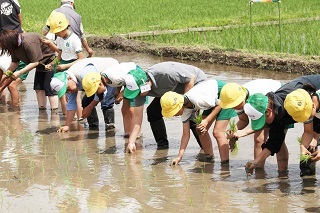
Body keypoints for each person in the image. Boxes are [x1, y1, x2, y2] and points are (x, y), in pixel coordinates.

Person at [244, 75, 320, 177]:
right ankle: (308, 178)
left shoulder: (303, 106)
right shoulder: (292, 105)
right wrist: (303, 146)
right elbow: (307, 132)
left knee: (315, 139)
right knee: (310, 144)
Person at [123, 61, 207, 153]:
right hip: (172, 91)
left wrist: (184, 103)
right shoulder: (140, 92)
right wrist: (131, 142)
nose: (138, 95)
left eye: (138, 92)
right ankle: (163, 147)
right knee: (153, 112)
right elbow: (137, 116)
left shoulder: (164, 73)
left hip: (196, 84)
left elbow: (191, 78)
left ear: (145, 84)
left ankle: (206, 149)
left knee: (191, 119)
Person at [160, 78, 237, 165]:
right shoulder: (185, 108)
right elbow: (185, 135)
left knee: (217, 132)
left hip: (225, 94)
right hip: (212, 99)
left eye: (174, 112)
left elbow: (220, 103)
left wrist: (207, 120)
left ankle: (225, 165)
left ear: (180, 105)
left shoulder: (197, 99)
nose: (174, 115)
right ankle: (209, 158)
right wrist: (179, 156)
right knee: (200, 130)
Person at [219, 79, 282, 162]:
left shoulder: (256, 99)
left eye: (234, 105)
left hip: (278, 97)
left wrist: (244, 132)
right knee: (258, 139)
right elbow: (244, 120)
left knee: (275, 138)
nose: (233, 108)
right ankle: (258, 167)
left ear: (242, 100)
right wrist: (234, 130)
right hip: (264, 108)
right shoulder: (238, 102)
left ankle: (272, 170)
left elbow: (262, 123)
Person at [50, 57, 119, 132]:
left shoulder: (85, 74)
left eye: (67, 89)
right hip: (96, 80)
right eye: (65, 91)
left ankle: (110, 128)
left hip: (110, 71)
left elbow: (102, 91)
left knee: (106, 101)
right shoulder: (70, 83)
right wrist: (67, 125)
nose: (68, 92)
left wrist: (89, 108)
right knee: (86, 102)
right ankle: (93, 129)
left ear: (69, 78)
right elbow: (71, 104)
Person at [0, 29, 58, 110]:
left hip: (50, 62)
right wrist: (5, 75)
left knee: (49, 89)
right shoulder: (14, 46)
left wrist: (19, 73)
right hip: (40, 65)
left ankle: (54, 114)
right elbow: (14, 63)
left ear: (10, 42)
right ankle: (42, 112)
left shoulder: (28, 43)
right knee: (38, 88)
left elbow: (35, 62)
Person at [81, 62, 144, 135]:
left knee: (132, 110)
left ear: (100, 84)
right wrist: (117, 91)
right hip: (128, 80)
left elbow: (130, 82)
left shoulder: (113, 78)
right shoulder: (106, 79)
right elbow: (121, 82)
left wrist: (122, 93)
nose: (96, 94)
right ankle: (127, 133)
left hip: (137, 77)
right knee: (124, 110)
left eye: (96, 91)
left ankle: (137, 134)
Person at [44, 11, 85, 116]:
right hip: (63, 66)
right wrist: (52, 64)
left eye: (57, 32)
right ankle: (66, 116)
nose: (56, 34)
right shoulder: (61, 39)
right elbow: (60, 55)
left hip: (73, 67)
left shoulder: (74, 39)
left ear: (63, 28)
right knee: (62, 94)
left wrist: (65, 66)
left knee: (75, 96)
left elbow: (81, 58)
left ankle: (78, 118)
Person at [0, 0, 29, 107]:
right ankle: (14, 113)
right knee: (10, 84)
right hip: (15, 38)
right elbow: (19, 15)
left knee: (9, 84)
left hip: (5, 41)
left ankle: (5, 109)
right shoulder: (13, 1)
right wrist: (20, 29)